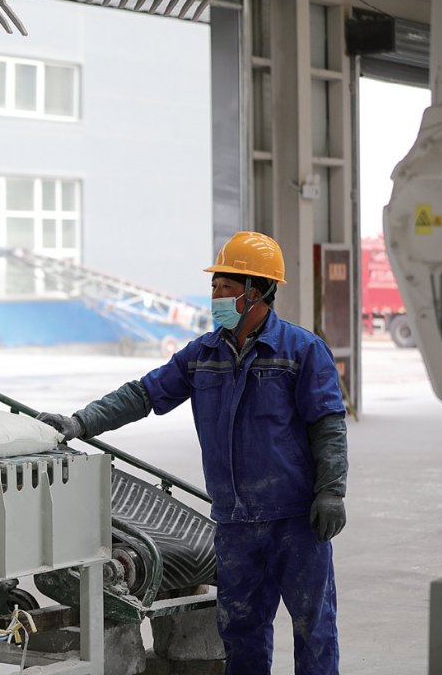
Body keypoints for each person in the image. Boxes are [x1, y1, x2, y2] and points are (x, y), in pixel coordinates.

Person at [38, 232, 348, 675]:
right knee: (240, 631)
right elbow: (142, 394)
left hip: (294, 520)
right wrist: (79, 422)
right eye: (214, 287)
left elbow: (328, 425)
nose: (216, 296)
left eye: (226, 287)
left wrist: (331, 491)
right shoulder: (202, 354)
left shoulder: (301, 351)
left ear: (256, 292)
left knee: (313, 628)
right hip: (234, 523)